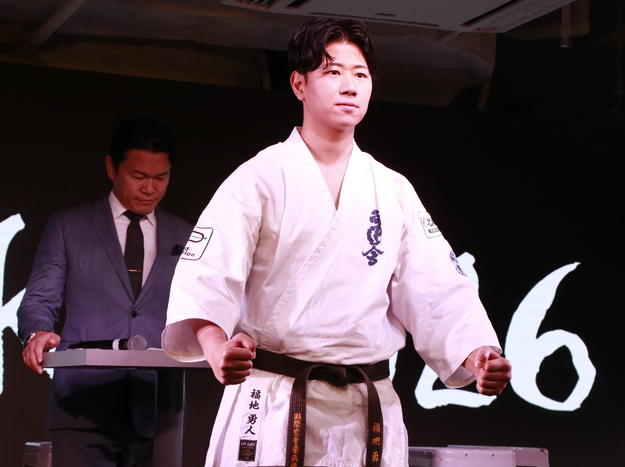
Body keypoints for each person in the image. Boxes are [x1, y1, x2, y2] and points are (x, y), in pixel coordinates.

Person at [162, 18, 511, 467]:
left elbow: (438, 288)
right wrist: (216, 349)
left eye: (360, 74)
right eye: (332, 72)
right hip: (276, 396)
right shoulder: (259, 178)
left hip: (367, 405)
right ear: (299, 84)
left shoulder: (392, 189)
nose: (350, 85)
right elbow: (207, 275)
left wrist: (477, 353)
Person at [17, 117, 193, 467]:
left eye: (161, 178)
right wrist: (38, 332)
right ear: (112, 168)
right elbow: (39, 298)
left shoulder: (186, 235)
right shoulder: (68, 226)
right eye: (139, 176)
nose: (150, 189)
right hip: (82, 404)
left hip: (158, 406)